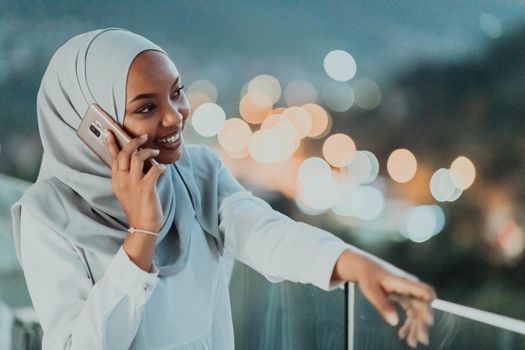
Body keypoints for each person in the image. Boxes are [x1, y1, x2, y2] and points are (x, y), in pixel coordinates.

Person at [10, 28, 435, 349]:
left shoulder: (197, 173)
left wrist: (353, 263)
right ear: (91, 128)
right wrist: (141, 236)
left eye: (176, 93)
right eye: (146, 107)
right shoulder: (47, 215)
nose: (176, 117)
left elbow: (264, 232)